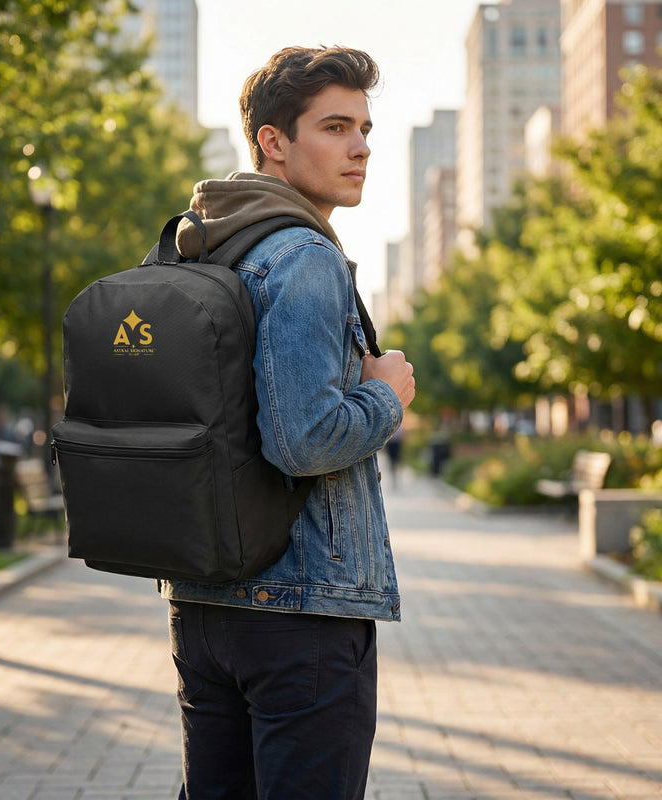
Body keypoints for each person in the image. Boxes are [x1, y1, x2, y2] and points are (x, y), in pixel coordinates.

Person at [159, 45, 416, 800]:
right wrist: (387, 395)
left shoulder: (205, 246)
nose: (362, 146)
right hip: (301, 609)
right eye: (335, 127)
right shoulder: (303, 255)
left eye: (365, 127)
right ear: (273, 140)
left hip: (205, 603)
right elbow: (302, 441)